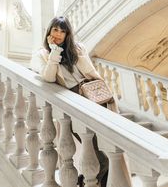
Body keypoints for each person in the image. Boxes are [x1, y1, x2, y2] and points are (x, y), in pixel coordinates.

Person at [31, 16, 114, 187]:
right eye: (55, 29)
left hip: (92, 99)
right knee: (96, 152)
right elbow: (48, 77)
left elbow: (89, 72)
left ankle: (88, 180)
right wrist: (54, 52)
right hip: (72, 102)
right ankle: (86, 181)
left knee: (103, 148)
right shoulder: (41, 54)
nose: (59, 34)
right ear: (49, 31)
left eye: (63, 31)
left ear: (68, 34)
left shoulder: (77, 48)